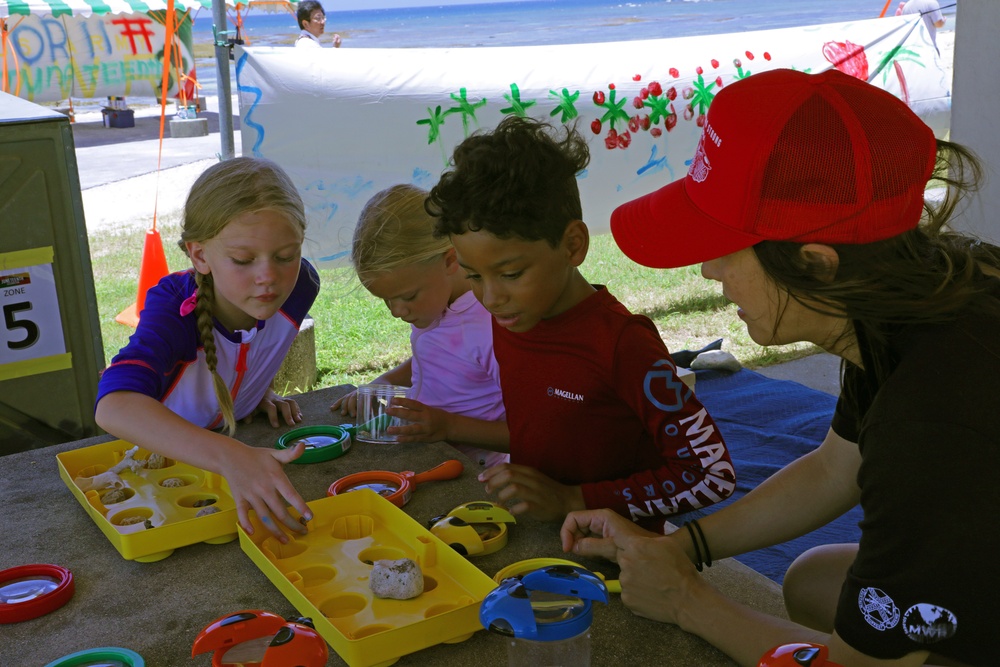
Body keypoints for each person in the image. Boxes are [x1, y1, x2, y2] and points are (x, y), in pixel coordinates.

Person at [562, 68, 1000, 666]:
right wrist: (685, 547)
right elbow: (832, 469)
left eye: (723, 248)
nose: (708, 272)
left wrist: (687, 602)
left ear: (816, 265)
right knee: (815, 582)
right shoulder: (916, 298)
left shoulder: (933, 420)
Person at [426, 116, 734, 528]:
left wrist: (574, 499)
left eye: (512, 273)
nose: (490, 298)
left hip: (617, 565)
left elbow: (712, 475)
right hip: (538, 540)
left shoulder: (623, 345)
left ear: (573, 245)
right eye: (474, 275)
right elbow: (549, 436)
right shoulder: (513, 316)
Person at [95, 157, 321, 543]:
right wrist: (231, 455)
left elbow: (242, 354)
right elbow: (114, 404)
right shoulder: (173, 307)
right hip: (156, 467)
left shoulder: (302, 285)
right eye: (243, 260)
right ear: (199, 255)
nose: (269, 276)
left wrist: (251, 391)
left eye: (286, 255)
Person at [330, 184, 509, 468]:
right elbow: (444, 361)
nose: (397, 312)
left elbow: (530, 431)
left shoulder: (489, 328)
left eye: (408, 297)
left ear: (450, 259)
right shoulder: (437, 306)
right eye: (386, 301)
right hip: (431, 453)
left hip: (477, 470)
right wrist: (386, 381)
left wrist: (448, 426)